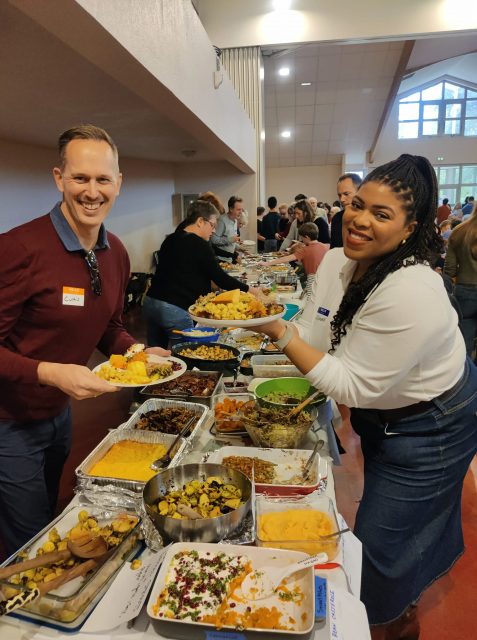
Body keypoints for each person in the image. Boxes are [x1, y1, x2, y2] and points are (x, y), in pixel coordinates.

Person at [236, 154, 477, 639]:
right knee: (404, 522)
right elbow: (316, 329)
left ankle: (391, 618)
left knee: (382, 538)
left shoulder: (414, 290)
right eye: (358, 204)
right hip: (385, 412)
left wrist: (276, 330)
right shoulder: (339, 261)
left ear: (411, 228)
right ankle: (400, 589)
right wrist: (281, 323)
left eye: (381, 214)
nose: (360, 219)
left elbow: (352, 386)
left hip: (434, 424)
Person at [0, 124, 169, 556]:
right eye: (80, 178)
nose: (92, 192)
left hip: (59, 414)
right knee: (30, 539)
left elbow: (109, 325)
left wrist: (136, 351)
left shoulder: (117, 252)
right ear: (59, 179)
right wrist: (50, 372)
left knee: (50, 512)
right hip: (9, 420)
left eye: (103, 179)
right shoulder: (19, 248)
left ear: (118, 183)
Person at [143, 200, 258, 348]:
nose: (214, 230)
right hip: (175, 307)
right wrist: (250, 289)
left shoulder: (171, 238)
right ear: (200, 221)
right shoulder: (200, 244)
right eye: (212, 225)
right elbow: (221, 278)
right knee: (186, 353)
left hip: (151, 303)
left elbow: (180, 271)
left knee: (157, 354)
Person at [444, 202, 477, 361]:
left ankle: (467, 373)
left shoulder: (458, 231)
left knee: (464, 341)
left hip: (464, 291)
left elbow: (449, 269)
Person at [330, 173, 362, 248]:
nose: (342, 199)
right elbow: (334, 248)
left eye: (346, 194)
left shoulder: (369, 219)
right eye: (339, 195)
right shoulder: (337, 218)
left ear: (359, 191)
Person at [210, 195, 244, 262]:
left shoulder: (235, 220)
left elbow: (231, 241)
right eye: (238, 209)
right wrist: (230, 240)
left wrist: (240, 248)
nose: (241, 212)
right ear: (231, 209)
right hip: (220, 259)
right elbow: (213, 240)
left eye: (241, 209)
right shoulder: (222, 220)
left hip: (229, 259)